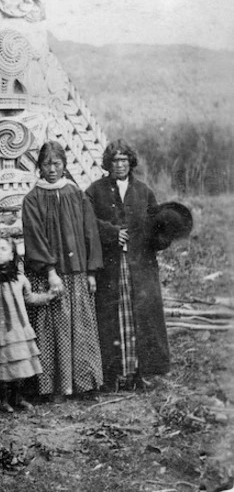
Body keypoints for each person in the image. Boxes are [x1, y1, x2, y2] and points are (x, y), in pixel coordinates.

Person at [85, 139, 171, 391]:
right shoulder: (95, 190)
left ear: (130, 162)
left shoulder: (144, 191)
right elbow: (87, 221)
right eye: (115, 160)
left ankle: (140, 373)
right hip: (110, 266)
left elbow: (159, 228)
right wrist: (112, 232)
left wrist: (164, 235)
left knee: (140, 316)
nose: (120, 165)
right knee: (112, 316)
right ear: (108, 164)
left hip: (140, 265)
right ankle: (111, 376)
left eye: (124, 160)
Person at [22, 141, 104, 400]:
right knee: (52, 330)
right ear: (40, 167)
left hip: (77, 273)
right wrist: (50, 271)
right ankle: (56, 386)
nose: (52, 169)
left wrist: (91, 271)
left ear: (64, 165)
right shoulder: (33, 199)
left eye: (57, 164)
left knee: (80, 327)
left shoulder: (75, 194)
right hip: (51, 276)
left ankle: (83, 384)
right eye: (47, 164)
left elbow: (90, 231)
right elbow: (34, 237)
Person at [0, 236, 51, 412]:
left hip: (20, 329)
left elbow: (29, 298)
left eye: (4, 249)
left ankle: (18, 397)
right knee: (3, 365)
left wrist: (49, 296)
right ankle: (2, 399)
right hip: (1, 330)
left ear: (12, 255)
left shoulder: (20, 279)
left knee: (21, 363)